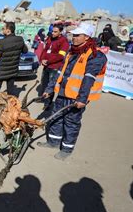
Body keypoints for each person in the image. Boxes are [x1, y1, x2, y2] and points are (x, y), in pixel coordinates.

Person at [38, 22, 107, 160]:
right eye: (73, 35)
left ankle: (66, 149)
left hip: (77, 97)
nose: (73, 38)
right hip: (63, 93)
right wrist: (50, 88)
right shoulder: (72, 52)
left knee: (71, 123)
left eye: (77, 35)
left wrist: (82, 99)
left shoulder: (95, 55)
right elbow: (60, 72)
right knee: (56, 117)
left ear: (86, 37)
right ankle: (53, 141)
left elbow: (89, 79)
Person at [0, 22, 28, 95]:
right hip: (13, 70)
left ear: (8, 30)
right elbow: (25, 51)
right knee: (10, 91)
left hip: (2, 71)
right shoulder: (20, 39)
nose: (2, 30)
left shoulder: (2, 42)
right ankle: (10, 104)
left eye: (4, 28)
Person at [39, 24, 69, 109]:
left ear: (60, 32)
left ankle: (47, 103)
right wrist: (42, 59)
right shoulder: (50, 38)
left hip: (55, 67)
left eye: (55, 32)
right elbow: (45, 50)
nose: (53, 33)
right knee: (44, 83)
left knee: (51, 85)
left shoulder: (64, 41)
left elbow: (61, 56)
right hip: (46, 66)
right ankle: (43, 98)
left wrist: (48, 61)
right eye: (52, 31)